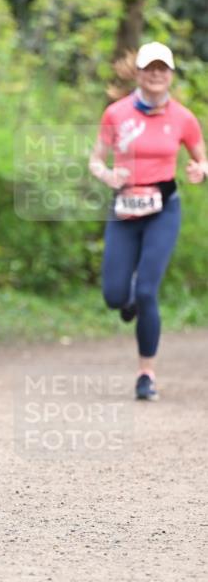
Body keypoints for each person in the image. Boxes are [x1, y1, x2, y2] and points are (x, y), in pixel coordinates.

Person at [89, 41, 207, 400]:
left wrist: (199, 170)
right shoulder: (116, 113)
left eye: (163, 68)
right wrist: (108, 175)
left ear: (170, 74)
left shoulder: (184, 118)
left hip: (163, 209)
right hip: (124, 207)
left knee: (146, 291)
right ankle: (127, 302)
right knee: (114, 296)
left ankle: (146, 374)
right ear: (138, 72)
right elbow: (96, 160)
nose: (156, 74)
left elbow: (202, 159)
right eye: (149, 68)